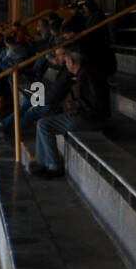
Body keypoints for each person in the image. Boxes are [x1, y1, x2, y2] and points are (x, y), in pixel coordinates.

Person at [30, 47, 111, 180]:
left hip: (90, 119)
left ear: (73, 62)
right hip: (84, 116)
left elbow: (94, 105)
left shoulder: (88, 76)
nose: (66, 64)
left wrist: (72, 107)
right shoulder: (83, 74)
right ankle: (43, 162)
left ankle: (54, 166)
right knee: (43, 120)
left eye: (67, 61)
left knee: (44, 124)